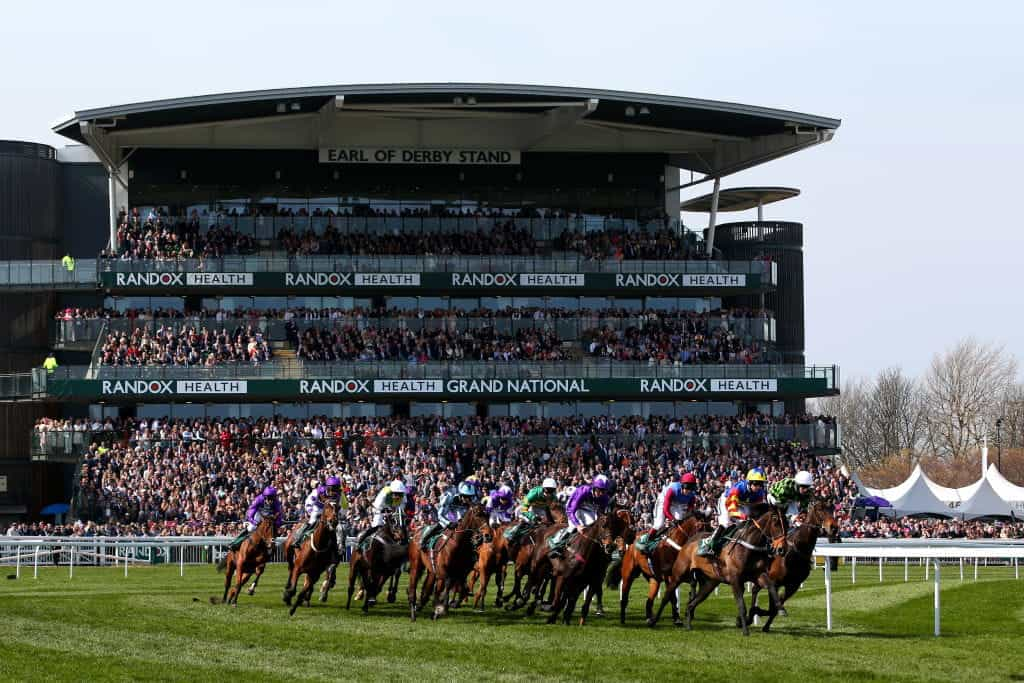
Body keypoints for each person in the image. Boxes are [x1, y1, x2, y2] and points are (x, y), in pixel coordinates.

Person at [699, 468, 767, 556]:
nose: (759, 487)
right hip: (727, 501)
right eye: (756, 483)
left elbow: (758, 509)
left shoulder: (759, 493)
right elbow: (731, 510)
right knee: (725, 523)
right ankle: (708, 544)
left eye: (761, 484)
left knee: (746, 524)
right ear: (749, 482)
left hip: (742, 503)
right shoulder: (739, 487)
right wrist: (742, 516)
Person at [549, 475, 611, 557]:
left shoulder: (605, 498)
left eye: (604, 491)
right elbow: (570, 510)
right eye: (599, 490)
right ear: (594, 487)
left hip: (588, 509)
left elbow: (600, 514)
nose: (601, 493)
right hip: (573, 507)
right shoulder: (583, 491)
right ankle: (557, 543)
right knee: (573, 526)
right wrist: (578, 525)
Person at [640, 472, 699, 552]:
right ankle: (646, 541)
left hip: (677, 502)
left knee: (680, 518)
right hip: (664, 500)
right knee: (659, 523)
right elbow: (665, 509)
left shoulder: (691, 495)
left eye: (690, 489)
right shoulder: (672, 489)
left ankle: (671, 536)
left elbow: (690, 507)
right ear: (682, 485)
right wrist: (672, 519)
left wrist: (687, 514)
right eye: (686, 488)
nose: (688, 492)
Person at [292, 476, 347, 547]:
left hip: (331, 511)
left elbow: (344, 506)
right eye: (332, 489)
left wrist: (340, 514)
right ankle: (298, 539)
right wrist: (310, 511)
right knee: (312, 521)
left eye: (336, 489)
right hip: (318, 509)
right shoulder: (319, 490)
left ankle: (340, 546)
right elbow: (309, 501)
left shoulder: (340, 494)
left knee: (340, 527)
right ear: (328, 487)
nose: (333, 492)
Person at [420, 479, 477, 546]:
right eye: (466, 497)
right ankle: (423, 541)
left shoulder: (472, 501)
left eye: (470, 497)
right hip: (448, 520)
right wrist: (448, 523)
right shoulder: (449, 497)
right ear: (460, 494)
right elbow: (440, 515)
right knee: (436, 528)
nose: (469, 500)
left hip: (462, 524)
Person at [504, 477, 558, 542]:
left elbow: (550, 509)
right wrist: (532, 516)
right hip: (528, 507)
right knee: (527, 520)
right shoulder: (533, 493)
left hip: (541, 509)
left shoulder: (554, 497)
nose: (549, 493)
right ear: (543, 488)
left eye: (551, 491)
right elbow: (523, 510)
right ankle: (512, 532)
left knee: (547, 523)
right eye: (547, 490)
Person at [355, 479, 407, 547]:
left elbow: (401, 509)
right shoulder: (384, 493)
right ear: (392, 491)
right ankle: (361, 540)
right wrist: (384, 513)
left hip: (392, 509)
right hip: (380, 509)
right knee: (377, 525)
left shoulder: (403, 496)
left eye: (400, 494)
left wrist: (397, 514)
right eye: (396, 493)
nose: (398, 496)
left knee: (401, 525)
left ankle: (405, 543)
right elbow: (376, 507)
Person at [229, 486, 283, 550]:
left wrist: (277, 523)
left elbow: (279, 514)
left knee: (273, 529)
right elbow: (250, 513)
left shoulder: (276, 502)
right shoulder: (259, 499)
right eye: (269, 498)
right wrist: (255, 522)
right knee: (251, 528)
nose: (271, 501)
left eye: (272, 499)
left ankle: (272, 545)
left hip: (269, 517)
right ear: (265, 497)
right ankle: (235, 542)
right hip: (259, 515)